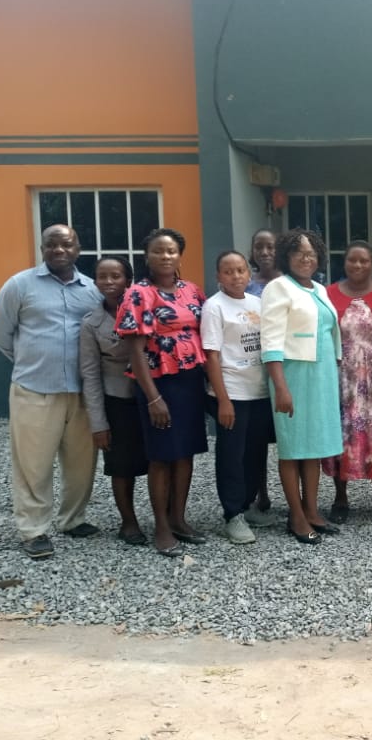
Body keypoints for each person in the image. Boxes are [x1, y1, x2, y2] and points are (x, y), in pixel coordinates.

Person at [0, 224, 102, 559]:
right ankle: (34, 530)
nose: (58, 250)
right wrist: (32, 360)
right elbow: (0, 333)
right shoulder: (19, 285)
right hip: (35, 389)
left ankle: (72, 519)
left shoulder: (92, 290)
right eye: (51, 244)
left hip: (81, 393)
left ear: (77, 249)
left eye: (66, 244)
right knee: (32, 465)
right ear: (42, 249)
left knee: (82, 464)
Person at [116, 228, 209, 557]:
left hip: (189, 381)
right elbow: (136, 351)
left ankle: (179, 519)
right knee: (161, 456)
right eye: (158, 251)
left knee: (185, 453)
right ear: (147, 256)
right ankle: (161, 526)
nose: (165, 256)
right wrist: (153, 398)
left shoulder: (192, 291)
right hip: (158, 383)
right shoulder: (139, 293)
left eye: (171, 251)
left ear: (180, 255)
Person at [261, 229, 343, 544]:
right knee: (293, 447)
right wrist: (280, 387)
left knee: (314, 447)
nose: (306, 259)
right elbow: (270, 341)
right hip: (293, 374)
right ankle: (296, 516)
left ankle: (312, 510)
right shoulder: (278, 287)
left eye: (311, 253)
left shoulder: (319, 288)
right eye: (299, 253)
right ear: (287, 256)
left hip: (321, 375)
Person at [201, 250, 276, 545]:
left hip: (259, 392)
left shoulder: (257, 303)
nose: (235, 276)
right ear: (218, 276)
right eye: (228, 271)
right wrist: (223, 400)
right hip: (232, 392)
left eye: (240, 270)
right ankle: (232, 514)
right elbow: (211, 356)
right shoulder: (214, 307)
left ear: (248, 273)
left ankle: (247, 505)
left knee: (255, 453)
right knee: (231, 455)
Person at [324, 240, 372, 523]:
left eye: (363, 260)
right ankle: (340, 498)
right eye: (352, 260)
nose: (357, 265)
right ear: (344, 263)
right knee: (342, 436)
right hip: (342, 380)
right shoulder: (328, 294)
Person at [79, 256, 149, 546]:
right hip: (117, 400)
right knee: (121, 465)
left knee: (161, 460)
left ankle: (168, 517)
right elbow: (90, 375)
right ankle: (128, 522)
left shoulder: (147, 310)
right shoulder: (90, 323)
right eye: (102, 276)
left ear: (128, 281)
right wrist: (98, 424)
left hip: (151, 396)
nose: (109, 282)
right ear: (95, 281)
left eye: (116, 276)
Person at [243, 228, 281, 515]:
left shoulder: (293, 282)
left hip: (287, 369)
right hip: (253, 373)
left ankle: (298, 498)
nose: (265, 252)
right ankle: (261, 494)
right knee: (256, 441)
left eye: (270, 246)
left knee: (289, 439)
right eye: (259, 247)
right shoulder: (243, 286)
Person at [245, 229, 281, 296]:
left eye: (270, 247)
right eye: (258, 247)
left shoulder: (290, 282)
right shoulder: (245, 284)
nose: (264, 253)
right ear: (252, 251)